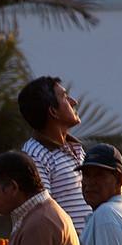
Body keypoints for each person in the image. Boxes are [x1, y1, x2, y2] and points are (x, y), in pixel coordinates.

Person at [18, 75, 90, 230]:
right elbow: (42, 214)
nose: (73, 102)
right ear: (53, 112)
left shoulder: (76, 149)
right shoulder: (34, 154)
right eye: (65, 97)